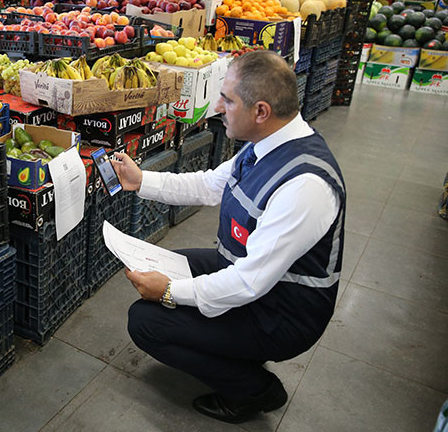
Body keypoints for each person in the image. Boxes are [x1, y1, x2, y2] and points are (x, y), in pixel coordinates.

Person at [110, 50, 346, 424]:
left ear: (261, 112)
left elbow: (249, 283)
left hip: (281, 313)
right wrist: (142, 181)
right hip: (254, 277)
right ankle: (230, 349)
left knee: (146, 322)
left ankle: (254, 390)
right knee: (169, 263)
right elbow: (209, 185)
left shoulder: (304, 186)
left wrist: (170, 292)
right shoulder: (265, 146)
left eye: (228, 100)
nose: (218, 107)